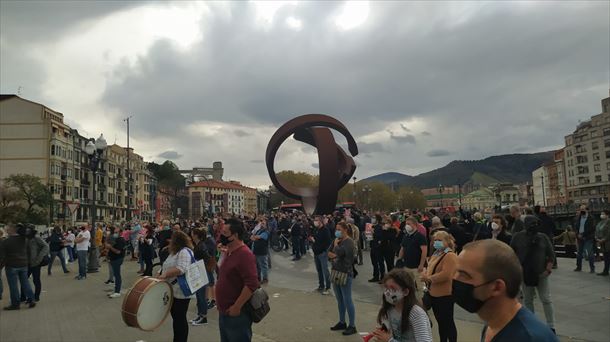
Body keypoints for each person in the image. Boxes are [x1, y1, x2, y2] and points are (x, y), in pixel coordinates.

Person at [453, 239, 558, 341]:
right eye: (455, 272)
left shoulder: (528, 338)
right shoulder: (493, 323)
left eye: (463, 275)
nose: (454, 279)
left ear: (497, 287)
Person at [510, 216, 556, 332]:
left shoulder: (543, 237)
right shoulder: (518, 237)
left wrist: (548, 270)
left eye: (536, 223)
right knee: (528, 299)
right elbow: (511, 253)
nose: (534, 226)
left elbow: (551, 255)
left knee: (546, 299)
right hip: (525, 273)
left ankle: (551, 325)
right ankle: (532, 323)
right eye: (532, 224)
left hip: (541, 273)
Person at [216, 218, 259, 342]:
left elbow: (252, 284)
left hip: (236, 314)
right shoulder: (229, 251)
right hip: (224, 311)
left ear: (234, 235)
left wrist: (237, 306)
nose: (221, 236)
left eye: (224, 233)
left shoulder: (244, 254)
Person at [372, 268, 432, 342]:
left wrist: (390, 340)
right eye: (386, 287)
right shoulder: (390, 309)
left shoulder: (416, 313)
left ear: (405, 292)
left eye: (393, 289)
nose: (387, 293)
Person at [158, 231, 195, 342]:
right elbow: (166, 265)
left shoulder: (184, 252)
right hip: (173, 290)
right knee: (176, 317)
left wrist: (165, 274)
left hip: (181, 291)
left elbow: (181, 268)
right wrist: (160, 273)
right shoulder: (175, 252)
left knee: (180, 318)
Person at [421, 231, 457, 342]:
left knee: (448, 322)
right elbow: (430, 267)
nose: (436, 242)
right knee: (441, 322)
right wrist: (425, 273)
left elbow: (446, 274)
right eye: (435, 240)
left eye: (440, 240)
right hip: (434, 293)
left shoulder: (450, 255)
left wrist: (429, 278)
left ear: (447, 241)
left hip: (444, 295)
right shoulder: (437, 253)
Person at [328, 222, 357, 336]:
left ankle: (352, 325)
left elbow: (340, 253)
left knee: (347, 299)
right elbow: (328, 252)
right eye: (336, 229)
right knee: (339, 299)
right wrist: (335, 253)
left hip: (345, 273)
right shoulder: (336, 240)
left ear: (345, 230)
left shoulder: (349, 242)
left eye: (339, 229)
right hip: (335, 271)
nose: (337, 231)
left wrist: (335, 248)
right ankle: (342, 321)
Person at [0, 223, 36, 310]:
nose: (6, 231)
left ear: (10, 231)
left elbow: (2, 256)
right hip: (23, 264)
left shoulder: (6, 242)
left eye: (7, 230)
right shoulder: (24, 239)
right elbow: (29, 251)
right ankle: (31, 299)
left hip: (12, 265)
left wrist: (1, 266)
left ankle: (15, 304)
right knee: (25, 283)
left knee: (13, 286)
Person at [397, 218, 427, 299]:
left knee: (421, 287)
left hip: (417, 267)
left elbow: (424, 251)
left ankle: (422, 304)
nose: (407, 226)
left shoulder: (420, 237)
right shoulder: (406, 236)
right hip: (407, 266)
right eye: (406, 224)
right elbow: (402, 249)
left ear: (415, 225)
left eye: (409, 224)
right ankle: (411, 301)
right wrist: (399, 260)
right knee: (408, 286)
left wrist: (421, 264)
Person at [191, 228, 211, 326]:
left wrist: (199, 263)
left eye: (192, 233)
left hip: (201, 271)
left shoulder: (201, 246)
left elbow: (207, 258)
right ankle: (200, 315)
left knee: (201, 295)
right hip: (199, 270)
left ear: (196, 235)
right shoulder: (199, 245)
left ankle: (203, 316)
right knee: (199, 295)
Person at [22, 229, 49, 302]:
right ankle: (23, 297)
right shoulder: (25, 239)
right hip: (27, 263)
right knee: (24, 280)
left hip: (35, 263)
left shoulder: (36, 238)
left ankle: (36, 296)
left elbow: (46, 246)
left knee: (36, 280)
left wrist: (39, 258)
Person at [311, 215, 332, 294]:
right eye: (314, 220)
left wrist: (324, 251)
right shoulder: (316, 230)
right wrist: (313, 241)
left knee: (325, 270)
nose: (315, 222)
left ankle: (328, 287)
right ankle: (321, 285)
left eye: (316, 220)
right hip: (316, 253)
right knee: (319, 270)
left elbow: (328, 242)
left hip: (322, 253)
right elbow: (316, 240)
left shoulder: (325, 230)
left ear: (320, 221)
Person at [105, 226, 126, 298]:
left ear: (121, 233)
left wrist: (110, 247)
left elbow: (118, 251)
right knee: (115, 275)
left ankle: (117, 291)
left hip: (117, 259)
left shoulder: (121, 240)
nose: (115, 234)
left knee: (117, 275)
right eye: (115, 232)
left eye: (116, 232)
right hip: (114, 259)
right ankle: (116, 290)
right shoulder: (117, 239)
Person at [574, 205, 596, 273]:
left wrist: (582, 234)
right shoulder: (578, 218)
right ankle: (578, 267)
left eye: (583, 209)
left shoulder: (591, 218)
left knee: (589, 253)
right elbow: (576, 227)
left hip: (588, 237)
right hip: (580, 238)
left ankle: (592, 268)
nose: (581, 211)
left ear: (587, 210)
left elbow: (591, 228)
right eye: (580, 209)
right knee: (579, 253)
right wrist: (577, 234)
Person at [250, 218, 270, 284]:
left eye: (263, 223)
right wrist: (254, 237)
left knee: (263, 265)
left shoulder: (266, 232)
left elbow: (258, 237)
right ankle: (258, 278)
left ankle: (265, 279)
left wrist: (255, 237)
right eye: (261, 223)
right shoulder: (259, 230)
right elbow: (252, 237)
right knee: (257, 266)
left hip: (262, 252)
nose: (262, 224)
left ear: (266, 225)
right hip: (256, 250)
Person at [595, 210, 610, 276]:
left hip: (607, 242)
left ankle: (606, 270)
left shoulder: (609, 222)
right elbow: (596, 230)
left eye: (603, 214)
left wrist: (603, 239)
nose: (601, 215)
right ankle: (605, 271)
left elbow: (608, 233)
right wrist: (596, 238)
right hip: (602, 242)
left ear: (607, 215)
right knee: (606, 257)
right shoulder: (600, 222)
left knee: (608, 256)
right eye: (601, 214)